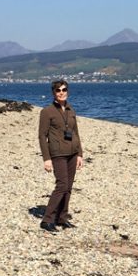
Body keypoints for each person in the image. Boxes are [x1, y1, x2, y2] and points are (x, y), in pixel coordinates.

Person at [37, 80, 83, 232]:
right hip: (57, 154)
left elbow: (76, 133)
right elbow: (42, 136)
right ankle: (47, 219)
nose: (61, 92)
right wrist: (46, 159)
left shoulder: (71, 110)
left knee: (68, 187)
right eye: (58, 90)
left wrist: (80, 154)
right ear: (54, 93)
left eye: (64, 89)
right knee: (62, 185)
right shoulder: (47, 112)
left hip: (72, 153)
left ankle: (62, 218)